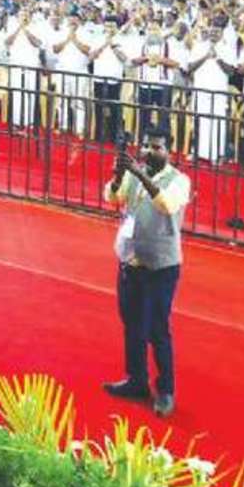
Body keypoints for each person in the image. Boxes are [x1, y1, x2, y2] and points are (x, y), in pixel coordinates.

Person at [101, 135, 191, 417]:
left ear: (169, 151)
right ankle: (137, 380)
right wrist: (119, 175)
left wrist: (139, 174)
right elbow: (112, 197)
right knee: (132, 324)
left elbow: (166, 205)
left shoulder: (180, 181)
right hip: (130, 261)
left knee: (157, 329)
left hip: (161, 268)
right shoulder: (132, 173)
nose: (150, 152)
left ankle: (165, 391)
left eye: (157, 147)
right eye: (146, 146)